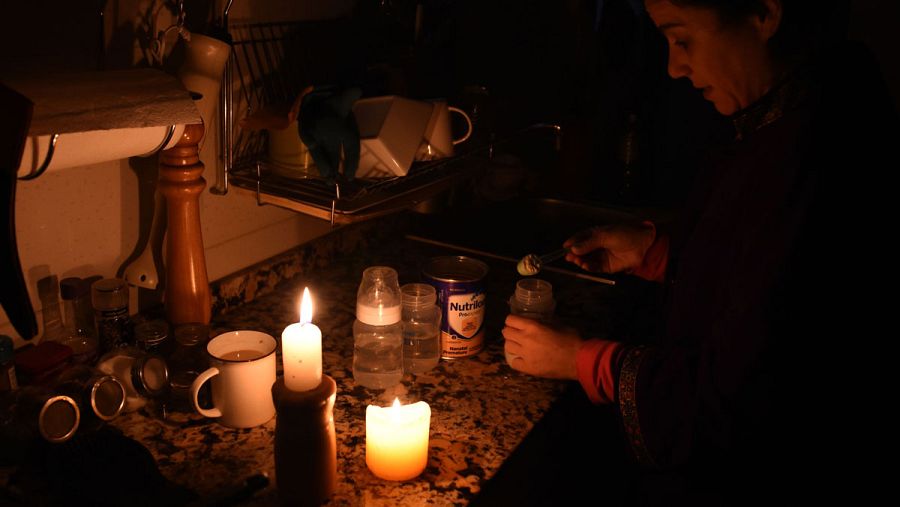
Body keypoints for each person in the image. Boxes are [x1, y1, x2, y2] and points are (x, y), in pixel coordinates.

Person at [502, 0, 897, 504]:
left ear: (764, 15)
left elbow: (739, 399)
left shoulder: (819, 151)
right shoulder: (789, 112)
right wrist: (660, 254)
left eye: (682, 38)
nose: (674, 67)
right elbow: (763, 278)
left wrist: (581, 360)